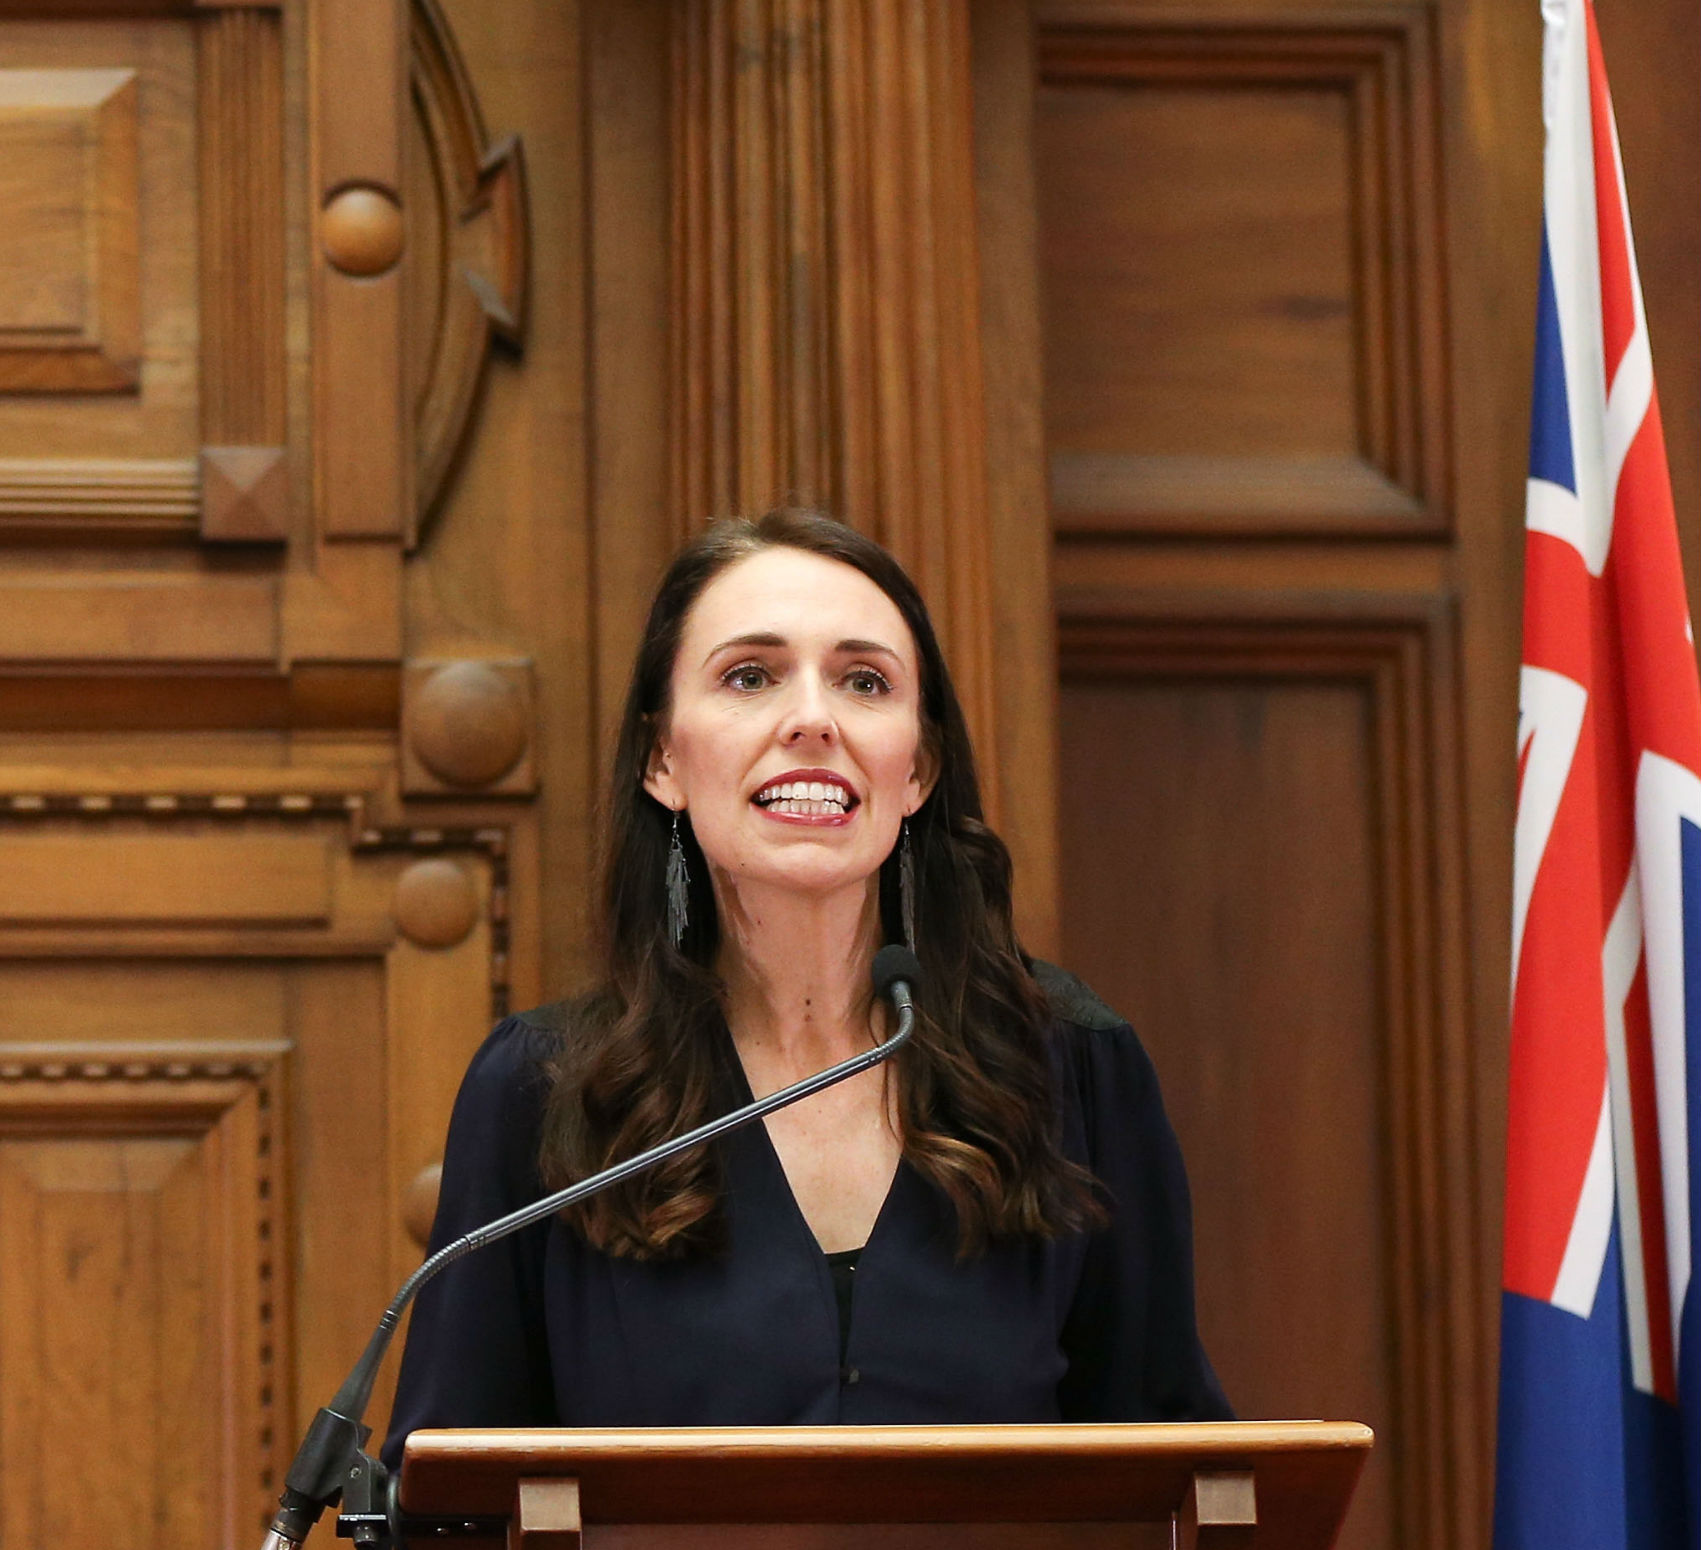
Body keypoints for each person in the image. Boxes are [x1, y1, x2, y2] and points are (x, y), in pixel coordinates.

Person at [385, 508, 1228, 1451]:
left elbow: (1174, 1474)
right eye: (750, 676)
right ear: (661, 758)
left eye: (864, 682)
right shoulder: (541, 1090)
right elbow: (441, 1502)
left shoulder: (1073, 1070)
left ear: (918, 770)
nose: (813, 720)